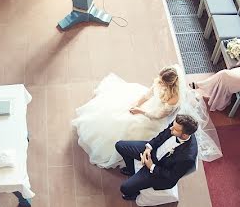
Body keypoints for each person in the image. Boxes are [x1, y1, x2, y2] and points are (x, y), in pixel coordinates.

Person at [73, 65, 220, 168]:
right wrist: (137, 103)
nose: (159, 82)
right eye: (160, 79)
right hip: (146, 106)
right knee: (118, 109)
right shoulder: (159, 81)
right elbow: (148, 94)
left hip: (153, 116)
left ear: (170, 85)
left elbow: (157, 116)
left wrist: (140, 112)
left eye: (162, 82)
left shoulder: (174, 99)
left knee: (127, 126)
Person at [115, 115, 199, 200]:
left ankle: (135, 192)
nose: (171, 129)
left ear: (184, 135)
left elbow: (172, 176)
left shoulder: (188, 157)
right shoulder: (176, 126)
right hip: (154, 151)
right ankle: (131, 170)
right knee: (120, 146)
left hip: (160, 170)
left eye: (175, 129)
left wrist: (151, 166)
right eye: (172, 125)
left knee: (125, 188)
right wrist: (148, 148)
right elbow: (162, 135)